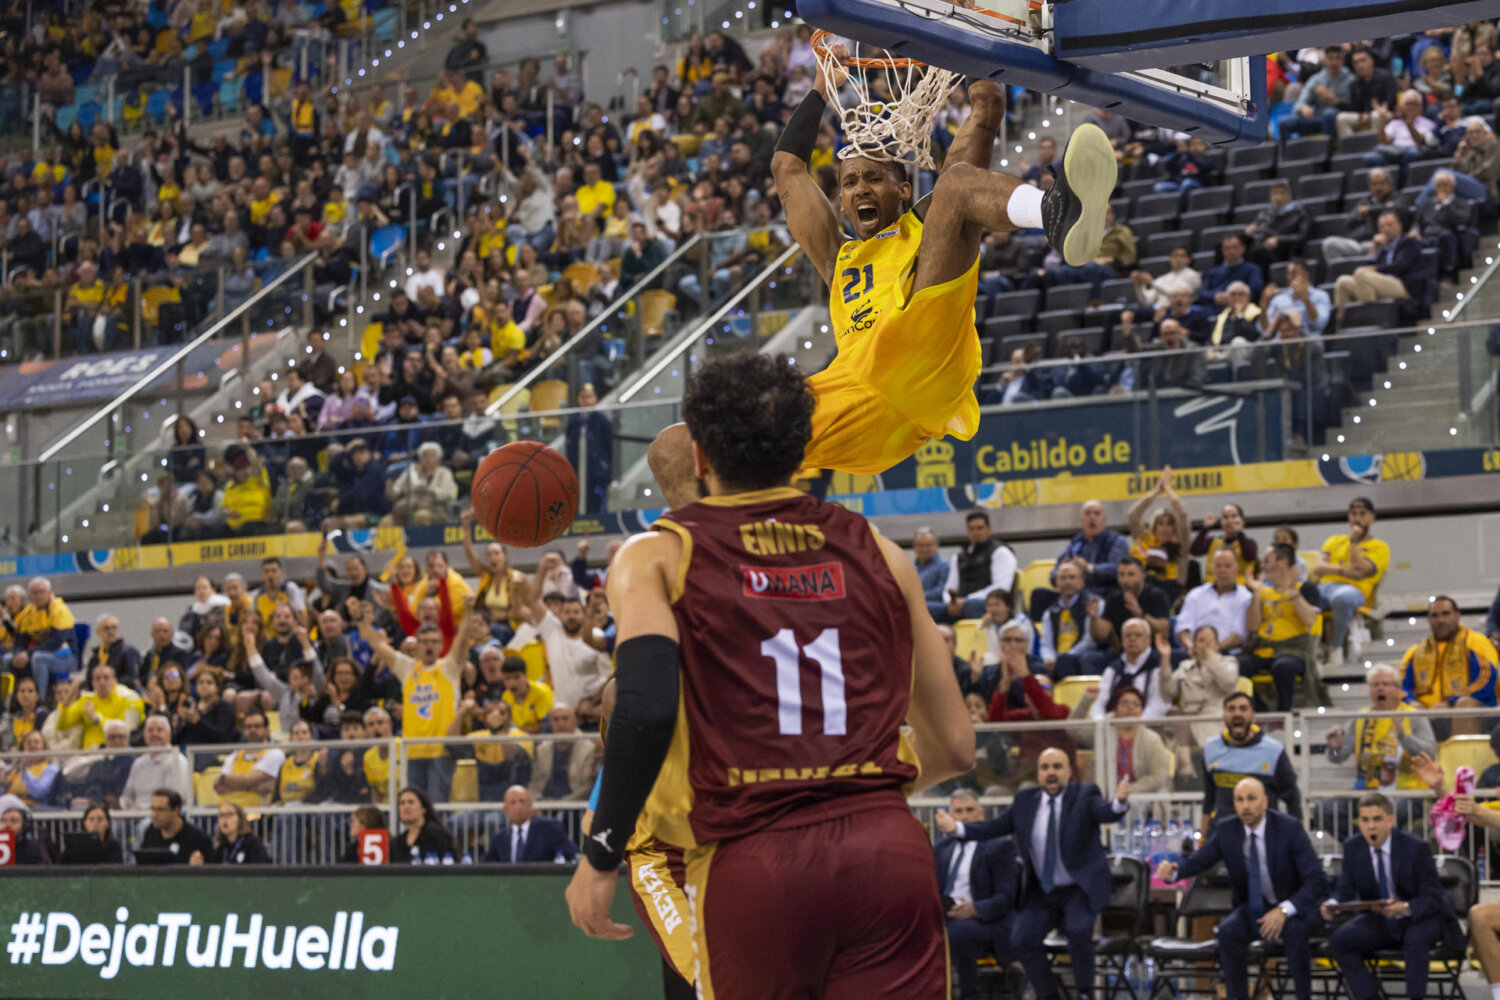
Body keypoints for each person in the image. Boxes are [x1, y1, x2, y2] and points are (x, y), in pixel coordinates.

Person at [565, 353, 974, 999]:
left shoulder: (656, 554)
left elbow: (643, 707)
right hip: (886, 852)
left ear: (701, 457)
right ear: (803, 449)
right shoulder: (883, 551)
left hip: (755, 858)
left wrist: (601, 854)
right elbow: (954, 745)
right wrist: (845, 787)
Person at [647, 51, 1116, 495]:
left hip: (926, 359)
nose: (859, 189)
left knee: (957, 184)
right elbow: (786, 167)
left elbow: (987, 104)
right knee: (672, 447)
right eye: (849, 182)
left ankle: (1055, 214)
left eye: (873, 178)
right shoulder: (838, 256)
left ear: (902, 188)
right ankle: (713, 559)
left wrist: (967, 40)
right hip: (855, 398)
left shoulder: (928, 220)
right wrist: (820, 90)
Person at [934, 748, 1133, 1000]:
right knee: (1021, 940)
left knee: (1078, 929)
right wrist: (958, 828)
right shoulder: (1025, 801)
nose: (1051, 772)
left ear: (1069, 772)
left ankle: (1084, 993)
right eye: (1045, 767)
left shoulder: (1084, 794)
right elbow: (995, 827)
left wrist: (1120, 802)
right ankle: (1050, 995)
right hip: (1043, 890)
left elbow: (1106, 813)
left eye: (1057, 767)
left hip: (1077, 887)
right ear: (1038, 773)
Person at [1156, 778, 1325, 1000]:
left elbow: (1316, 880)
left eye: (1251, 799)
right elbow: (1201, 859)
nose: (1245, 806)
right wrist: (1175, 872)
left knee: (1295, 933)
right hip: (1254, 909)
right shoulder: (1227, 829)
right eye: (1239, 800)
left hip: (1292, 907)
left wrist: (1284, 910)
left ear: (1265, 802)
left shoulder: (1288, 828)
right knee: (1228, 931)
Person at [1322, 792, 1465, 1000]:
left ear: (1390, 820)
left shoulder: (1415, 847)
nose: (1371, 826)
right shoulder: (1354, 848)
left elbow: (1433, 896)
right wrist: (1332, 903)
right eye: (1365, 820)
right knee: (1339, 941)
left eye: (1377, 819)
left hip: (1421, 916)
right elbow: (1345, 887)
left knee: (1415, 939)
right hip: (1381, 918)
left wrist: (1405, 908)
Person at [359, 609, 485, 803]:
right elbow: (378, 645)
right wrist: (363, 622)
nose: (429, 646)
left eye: (434, 641)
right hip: (413, 751)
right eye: (425, 641)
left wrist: (468, 613)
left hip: (440, 752)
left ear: (441, 645)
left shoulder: (448, 668)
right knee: (414, 805)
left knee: (436, 805)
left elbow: (461, 642)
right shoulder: (407, 669)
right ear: (417, 645)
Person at [935, 790, 1020, 1000]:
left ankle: (969, 994)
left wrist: (975, 908)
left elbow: (1006, 898)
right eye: (959, 811)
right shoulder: (941, 848)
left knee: (957, 932)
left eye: (970, 810)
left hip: (987, 920)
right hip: (947, 916)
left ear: (981, 815)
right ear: (951, 816)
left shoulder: (999, 846)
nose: (964, 816)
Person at [1400, 595, 1499, 736]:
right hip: (1428, 717)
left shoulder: (1476, 642)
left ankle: (1461, 758)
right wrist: (1411, 703)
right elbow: (1401, 687)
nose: (1441, 620)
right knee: (1404, 710)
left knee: (1465, 705)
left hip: (1477, 712)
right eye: (1435, 616)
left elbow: (1485, 683)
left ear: (1458, 616)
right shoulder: (1415, 652)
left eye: (1446, 614)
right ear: (1429, 620)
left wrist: (1450, 704)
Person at [1240, 544, 1322, 711]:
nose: (1262, 566)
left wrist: (1292, 593)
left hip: (1294, 650)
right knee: (1235, 666)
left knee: (1283, 666)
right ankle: (1260, 710)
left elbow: (1310, 621)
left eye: (1267, 561)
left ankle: (1284, 714)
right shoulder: (1263, 591)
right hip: (1265, 649)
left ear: (1283, 562)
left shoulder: (1306, 588)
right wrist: (1256, 593)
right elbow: (1252, 626)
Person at [1312, 497, 1389, 667]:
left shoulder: (1379, 547)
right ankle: (1312, 649)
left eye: (1362, 513)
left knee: (1342, 598)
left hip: (1356, 591)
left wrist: (1354, 541)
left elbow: (1359, 568)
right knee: (1304, 593)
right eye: (1353, 514)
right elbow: (1318, 567)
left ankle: (1335, 649)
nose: (1357, 518)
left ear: (1372, 518)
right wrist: (1344, 571)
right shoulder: (1334, 540)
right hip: (1325, 588)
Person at [1203, 692, 1301, 820]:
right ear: (1224, 716)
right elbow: (1209, 798)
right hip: (1222, 836)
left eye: (1243, 709)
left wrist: (1298, 837)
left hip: (1264, 836)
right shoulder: (1210, 748)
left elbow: (1292, 798)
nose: (1237, 714)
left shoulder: (1274, 751)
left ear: (1253, 716)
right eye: (1231, 709)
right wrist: (1204, 837)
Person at [1161, 627, 1241, 780]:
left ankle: (1187, 768)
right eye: (1199, 640)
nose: (1202, 645)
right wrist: (1165, 660)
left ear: (1216, 645)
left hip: (1213, 724)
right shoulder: (1185, 666)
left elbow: (1229, 684)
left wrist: (1209, 658)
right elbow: (1167, 693)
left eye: (1206, 641)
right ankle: (1185, 767)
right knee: (1178, 717)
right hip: (1185, 729)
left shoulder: (1228, 662)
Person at [1176, 550, 1254, 659]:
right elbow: (1182, 628)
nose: (1222, 570)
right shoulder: (1196, 594)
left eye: (1227, 566)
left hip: (1227, 652)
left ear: (1237, 569)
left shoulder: (1245, 597)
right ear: (1212, 568)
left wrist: (1214, 648)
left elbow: (1239, 635)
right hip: (1193, 651)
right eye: (1218, 566)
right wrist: (1192, 647)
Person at [940, 511, 1017, 622]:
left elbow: (1002, 588)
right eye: (971, 529)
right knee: (928, 609)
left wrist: (966, 601)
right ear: (967, 531)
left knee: (971, 606)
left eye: (980, 528)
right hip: (959, 605)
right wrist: (951, 603)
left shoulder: (1001, 552)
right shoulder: (958, 556)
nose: (976, 532)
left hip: (987, 604)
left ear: (989, 529)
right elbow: (949, 588)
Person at [9, 576, 78, 699]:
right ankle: (11, 703)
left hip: (67, 658)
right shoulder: (27, 613)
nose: (39, 596)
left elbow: (56, 643)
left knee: (39, 658)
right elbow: (19, 640)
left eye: (42, 592)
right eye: (35, 593)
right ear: (30, 596)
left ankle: (40, 701)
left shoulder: (60, 610)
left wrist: (28, 654)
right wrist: (18, 654)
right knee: (7, 659)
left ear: (50, 593)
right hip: (36, 654)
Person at [1090, 618, 1170, 719]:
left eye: (1138, 635)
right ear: (1122, 641)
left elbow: (1159, 705)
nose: (1132, 639)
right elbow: (1099, 704)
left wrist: (1135, 726)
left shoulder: (1157, 666)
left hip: (1147, 727)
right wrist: (1101, 724)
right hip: (1112, 726)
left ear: (1148, 640)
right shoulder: (1113, 669)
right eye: (1128, 635)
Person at [53, 663, 144, 749]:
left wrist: (96, 719)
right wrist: (68, 700)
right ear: (93, 683)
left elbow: (127, 731)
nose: (102, 682)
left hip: (117, 753)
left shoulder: (129, 698)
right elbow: (61, 725)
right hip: (88, 757)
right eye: (98, 678)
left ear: (115, 680)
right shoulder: (87, 700)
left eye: (106, 678)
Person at [1038, 562, 1105, 678]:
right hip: (1057, 659)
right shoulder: (1050, 611)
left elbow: (1090, 641)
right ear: (1057, 582)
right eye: (1062, 578)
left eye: (1072, 577)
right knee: (1035, 667)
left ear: (1082, 581)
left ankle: (1069, 694)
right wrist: (1049, 659)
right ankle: (1047, 691)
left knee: (1065, 661)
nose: (1067, 582)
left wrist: (1064, 657)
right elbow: (1046, 644)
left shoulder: (1094, 604)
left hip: (1081, 656)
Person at [483, 784, 579, 862]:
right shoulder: (499, 839)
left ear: (530, 805)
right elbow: (485, 867)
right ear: (506, 810)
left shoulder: (549, 828)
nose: (518, 806)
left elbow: (571, 854)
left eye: (522, 801)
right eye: (513, 803)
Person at [213, 710, 286, 807]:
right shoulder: (234, 755)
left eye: (257, 726)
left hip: (258, 814)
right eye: (248, 727)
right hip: (228, 811)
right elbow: (219, 786)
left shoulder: (274, 753)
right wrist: (252, 786)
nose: (252, 730)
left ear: (267, 730)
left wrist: (229, 781)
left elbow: (251, 779)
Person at [528, 703, 599, 801]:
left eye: (565, 718)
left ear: (575, 722)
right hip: (544, 804)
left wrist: (561, 803)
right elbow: (534, 784)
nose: (560, 723)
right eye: (556, 719)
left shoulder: (588, 749)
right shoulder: (542, 749)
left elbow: (587, 787)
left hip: (575, 806)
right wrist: (536, 802)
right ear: (550, 723)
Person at [121, 714, 193, 808]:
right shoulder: (138, 763)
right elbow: (127, 796)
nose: (154, 734)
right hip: (134, 815)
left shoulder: (178, 761)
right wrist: (126, 807)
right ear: (144, 736)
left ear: (169, 735)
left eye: (159, 730)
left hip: (163, 815)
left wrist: (144, 809)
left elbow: (177, 798)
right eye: (150, 730)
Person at [140, 788, 215, 864]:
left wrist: (196, 870)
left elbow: (212, 872)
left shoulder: (198, 839)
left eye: (160, 810)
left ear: (176, 810)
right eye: (153, 809)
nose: (154, 815)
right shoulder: (150, 832)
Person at [391, 786, 457, 864]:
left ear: (423, 808)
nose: (406, 807)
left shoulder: (438, 836)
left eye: (411, 802)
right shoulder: (396, 843)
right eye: (402, 803)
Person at [202, 801, 271, 864]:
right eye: (222, 815)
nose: (225, 819)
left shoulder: (253, 843)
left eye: (230, 814)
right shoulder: (220, 847)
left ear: (240, 819)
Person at [912, 528, 950, 621]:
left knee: (915, 607)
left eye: (928, 545)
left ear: (936, 545)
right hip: (917, 603)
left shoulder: (945, 566)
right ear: (914, 547)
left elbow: (942, 591)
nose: (924, 549)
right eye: (920, 545)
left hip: (937, 605)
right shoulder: (912, 568)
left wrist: (918, 597)